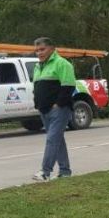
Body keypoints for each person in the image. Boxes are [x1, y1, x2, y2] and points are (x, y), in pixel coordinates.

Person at [32, 37, 76, 181]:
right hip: (44, 110)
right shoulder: (38, 66)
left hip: (59, 110)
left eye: (42, 49)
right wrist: (38, 104)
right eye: (37, 50)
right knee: (57, 140)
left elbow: (69, 86)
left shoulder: (62, 63)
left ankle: (45, 172)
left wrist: (58, 104)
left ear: (52, 48)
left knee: (52, 139)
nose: (39, 53)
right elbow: (36, 87)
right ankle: (65, 171)